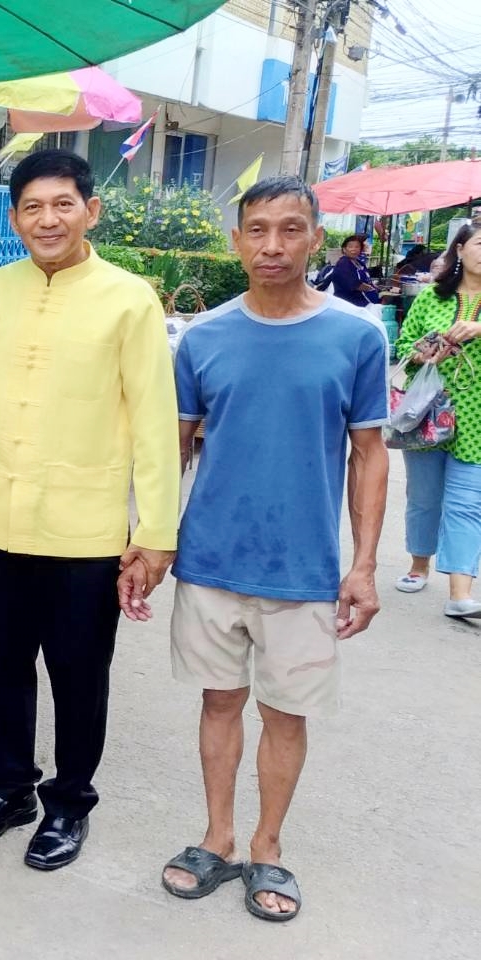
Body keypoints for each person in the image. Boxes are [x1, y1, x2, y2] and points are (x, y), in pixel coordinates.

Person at [0, 150, 180, 870]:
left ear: (90, 211)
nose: (48, 219)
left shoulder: (129, 300)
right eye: (33, 207)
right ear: (14, 219)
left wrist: (156, 536)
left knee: (77, 675)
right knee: (1, 667)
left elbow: (157, 426)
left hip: (84, 531)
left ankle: (69, 805)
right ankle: (8, 790)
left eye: (63, 204)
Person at [156, 176, 388, 922]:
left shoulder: (356, 336)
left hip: (304, 570)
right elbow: (176, 450)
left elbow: (369, 454)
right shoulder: (204, 337)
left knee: (286, 714)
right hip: (212, 561)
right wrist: (149, 540)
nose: (273, 246)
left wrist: (363, 565)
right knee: (218, 702)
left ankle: (268, 848)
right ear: (237, 241)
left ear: (316, 237)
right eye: (257, 230)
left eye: (291, 230)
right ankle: (218, 838)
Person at [392, 224, 481, 615]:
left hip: (477, 419)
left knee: (467, 502)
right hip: (428, 411)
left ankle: (460, 594)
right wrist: (428, 351)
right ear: (460, 250)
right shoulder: (431, 296)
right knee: (424, 497)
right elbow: (403, 346)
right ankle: (418, 563)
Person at [315, 235, 380, 307]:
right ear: (344, 249)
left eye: (357, 247)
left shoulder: (359, 263)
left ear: (360, 249)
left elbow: (367, 280)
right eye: (350, 247)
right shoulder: (343, 263)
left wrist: (375, 288)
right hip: (350, 303)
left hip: (365, 301)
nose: (354, 249)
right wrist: (371, 288)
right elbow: (354, 284)